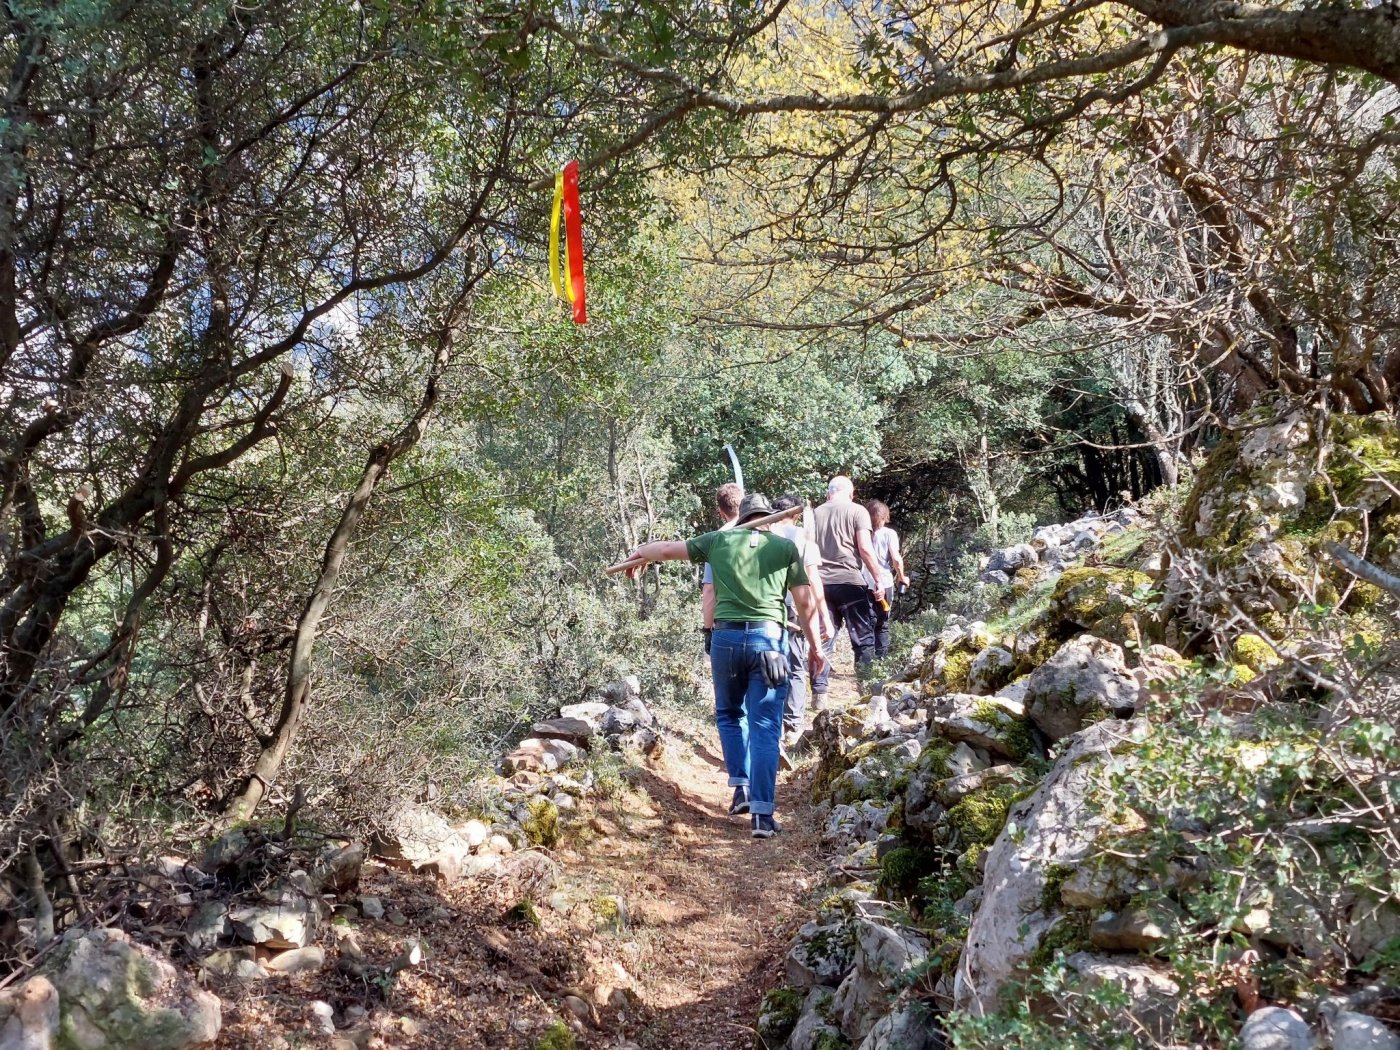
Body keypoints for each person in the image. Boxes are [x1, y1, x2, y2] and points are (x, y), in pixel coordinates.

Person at [624, 494, 826, 839]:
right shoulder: (783, 548)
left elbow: (668, 550)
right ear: (769, 519)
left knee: (730, 714)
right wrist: (815, 648)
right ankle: (762, 817)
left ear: (740, 517)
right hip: (770, 642)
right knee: (765, 726)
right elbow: (806, 604)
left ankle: (740, 789)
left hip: (727, 640)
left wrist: (640, 551)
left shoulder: (718, 540)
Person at [810, 475, 884, 705]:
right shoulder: (857, 511)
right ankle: (867, 690)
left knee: (823, 637)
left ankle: (819, 694)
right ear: (851, 494)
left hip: (820, 584)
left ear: (828, 493)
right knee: (863, 637)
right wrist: (878, 578)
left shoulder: (814, 514)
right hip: (850, 582)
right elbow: (864, 547)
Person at [771, 495, 833, 749]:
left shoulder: (764, 533)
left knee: (770, 663)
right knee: (796, 665)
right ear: (796, 515)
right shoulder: (803, 538)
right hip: (795, 605)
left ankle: (770, 723)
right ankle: (793, 725)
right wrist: (824, 617)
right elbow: (813, 581)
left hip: (769, 606)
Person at [863, 499, 910, 659]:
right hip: (884, 581)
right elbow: (896, 558)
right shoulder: (889, 534)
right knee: (882, 624)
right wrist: (902, 576)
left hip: (863, 582)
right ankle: (880, 661)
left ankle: (865, 663)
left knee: (867, 623)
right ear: (884, 517)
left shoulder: (860, 533)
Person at [701, 482, 743, 653]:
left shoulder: (717, 540)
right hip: (766, 625)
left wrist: (707, 628)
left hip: (728, 625)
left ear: (720, 511)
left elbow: (709, 588)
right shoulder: (766, 533)